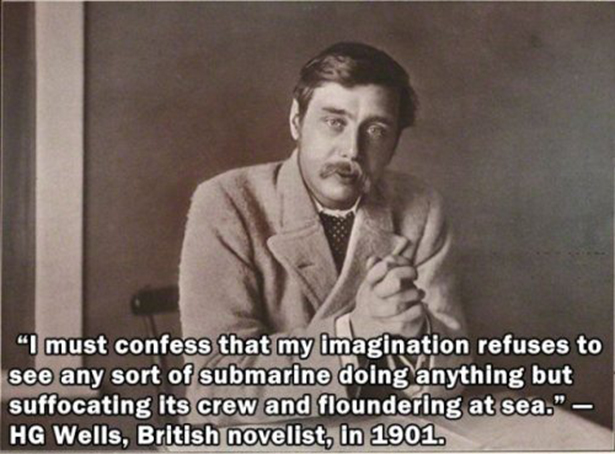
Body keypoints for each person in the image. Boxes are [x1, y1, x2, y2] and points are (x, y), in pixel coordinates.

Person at [179, 42, 468, 427]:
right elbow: (214, 385)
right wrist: (352, 333)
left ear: (396, 142)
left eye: (376, 130)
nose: (351, 150)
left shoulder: (421, 207)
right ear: (296, 121)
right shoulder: (227, 202)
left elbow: (452, 381)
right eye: (334, 122)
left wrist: (416, 335)